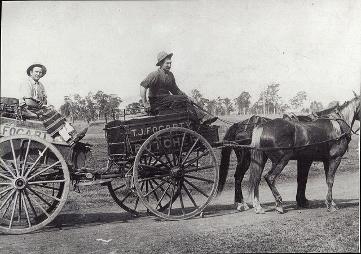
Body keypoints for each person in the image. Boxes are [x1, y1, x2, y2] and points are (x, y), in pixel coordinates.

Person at [140, 51, 217, 125]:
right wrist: (145, 103)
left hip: (166, 101)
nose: (169, 65)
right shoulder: (155, 75)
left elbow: (175, 90)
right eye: (167, 63)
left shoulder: (170, 75)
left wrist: (188, 97)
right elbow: (143, 86)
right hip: (157, 102)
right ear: (161, 63)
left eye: (170, 63)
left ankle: (197, 121)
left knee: (186, 101)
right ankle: (202, 118)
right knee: (183, 99)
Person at [19, 63, 87, 144]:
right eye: (36, 72)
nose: (38, 74)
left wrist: (44, 104)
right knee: (49, 114)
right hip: (27, 109)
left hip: (38, 108)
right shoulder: (27, 83)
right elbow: (28, 102)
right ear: (31, 72)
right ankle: (66, 138)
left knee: (55, 113)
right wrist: (41, 105)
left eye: (40, 72)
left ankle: (72, 133)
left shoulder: (41, 85)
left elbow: (44, 100)